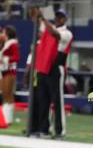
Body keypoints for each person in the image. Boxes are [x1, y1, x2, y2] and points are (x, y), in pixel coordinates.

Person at [31, 8, 73, 138]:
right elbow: (39, 27)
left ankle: (60, 131)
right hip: (44, 66)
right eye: (56, 16)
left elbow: (55, 35)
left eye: (60, 17)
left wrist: (43, 19)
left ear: (65, 19)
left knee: (57, 101)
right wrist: (36, 15)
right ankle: (44, 129)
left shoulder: (67, 33)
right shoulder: (49, 28)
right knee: (43, 100)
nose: (57, 19)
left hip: (56, 67)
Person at [0, 25, 19, 125]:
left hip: (10, 71)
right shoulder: (6, 43)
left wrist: (4, 59)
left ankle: (8, 119)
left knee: (8, 95)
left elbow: (16, 58)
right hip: (5, 71)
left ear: (7, 33)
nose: (2, 34)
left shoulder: (13, 44)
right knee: (4, 95)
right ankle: (5, 118)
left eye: (3, 32)